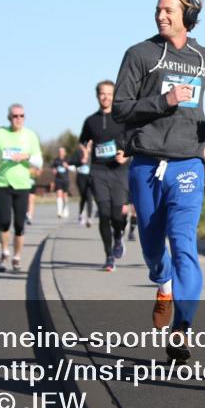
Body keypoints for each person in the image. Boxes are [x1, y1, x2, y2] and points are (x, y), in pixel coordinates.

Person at [113, 0, 205, 362]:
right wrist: (163, 101)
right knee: (153, 250)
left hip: (188, 164)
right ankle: (162, 283)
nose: (161, 15)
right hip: (147, 164)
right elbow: (120, 108)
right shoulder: (140, 54)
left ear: (189, 16)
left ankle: (182, 329)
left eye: (169, 10)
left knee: (184, 244)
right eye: (158, 9)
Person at [79, 80, 130, 271]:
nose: (105, 97)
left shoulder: (123, 118)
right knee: (104, 214)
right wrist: (84, 151)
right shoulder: (90, 121)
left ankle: (118, 236)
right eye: (102, 94)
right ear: (97, 95)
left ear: (114, 95)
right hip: (99, 171)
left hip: (119, 171)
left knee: (117, 216)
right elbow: (83, 141)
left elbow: (134, 141)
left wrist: (126, 155)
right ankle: (109, 256)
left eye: (109, 94)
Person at [0, 104, 42, 273]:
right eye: (15, 116)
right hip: (3, 182)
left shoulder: (30, 136)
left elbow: (39, 161)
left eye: (21, 116)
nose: (18, 119)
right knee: (4, 221)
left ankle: (17, 257)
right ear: (9, 118)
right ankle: (5, 252)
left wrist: (25, 156)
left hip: (22, 184)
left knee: (19, 224)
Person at [71, 143, 94, 226]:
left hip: (90, 176)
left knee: (89, 196)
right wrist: (80, 162)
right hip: (81, 176)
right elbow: (71, 162)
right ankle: (80, 214)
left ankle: (89, 218)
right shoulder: (78, 153)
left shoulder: (93, 153)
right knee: (83, 196)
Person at [51, 146, 71, 219]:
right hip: (58, 179)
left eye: (62, 151)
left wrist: (67, 166)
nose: (61, 153)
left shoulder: (67, 159)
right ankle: (59, 211)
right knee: (59, 195)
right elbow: (53, 168)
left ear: (64, 152)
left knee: (65, 195)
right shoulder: (56, 160)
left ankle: (65, 209)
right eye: (59, 151)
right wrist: (54, 170)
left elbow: (72, 168)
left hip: (65, 179)